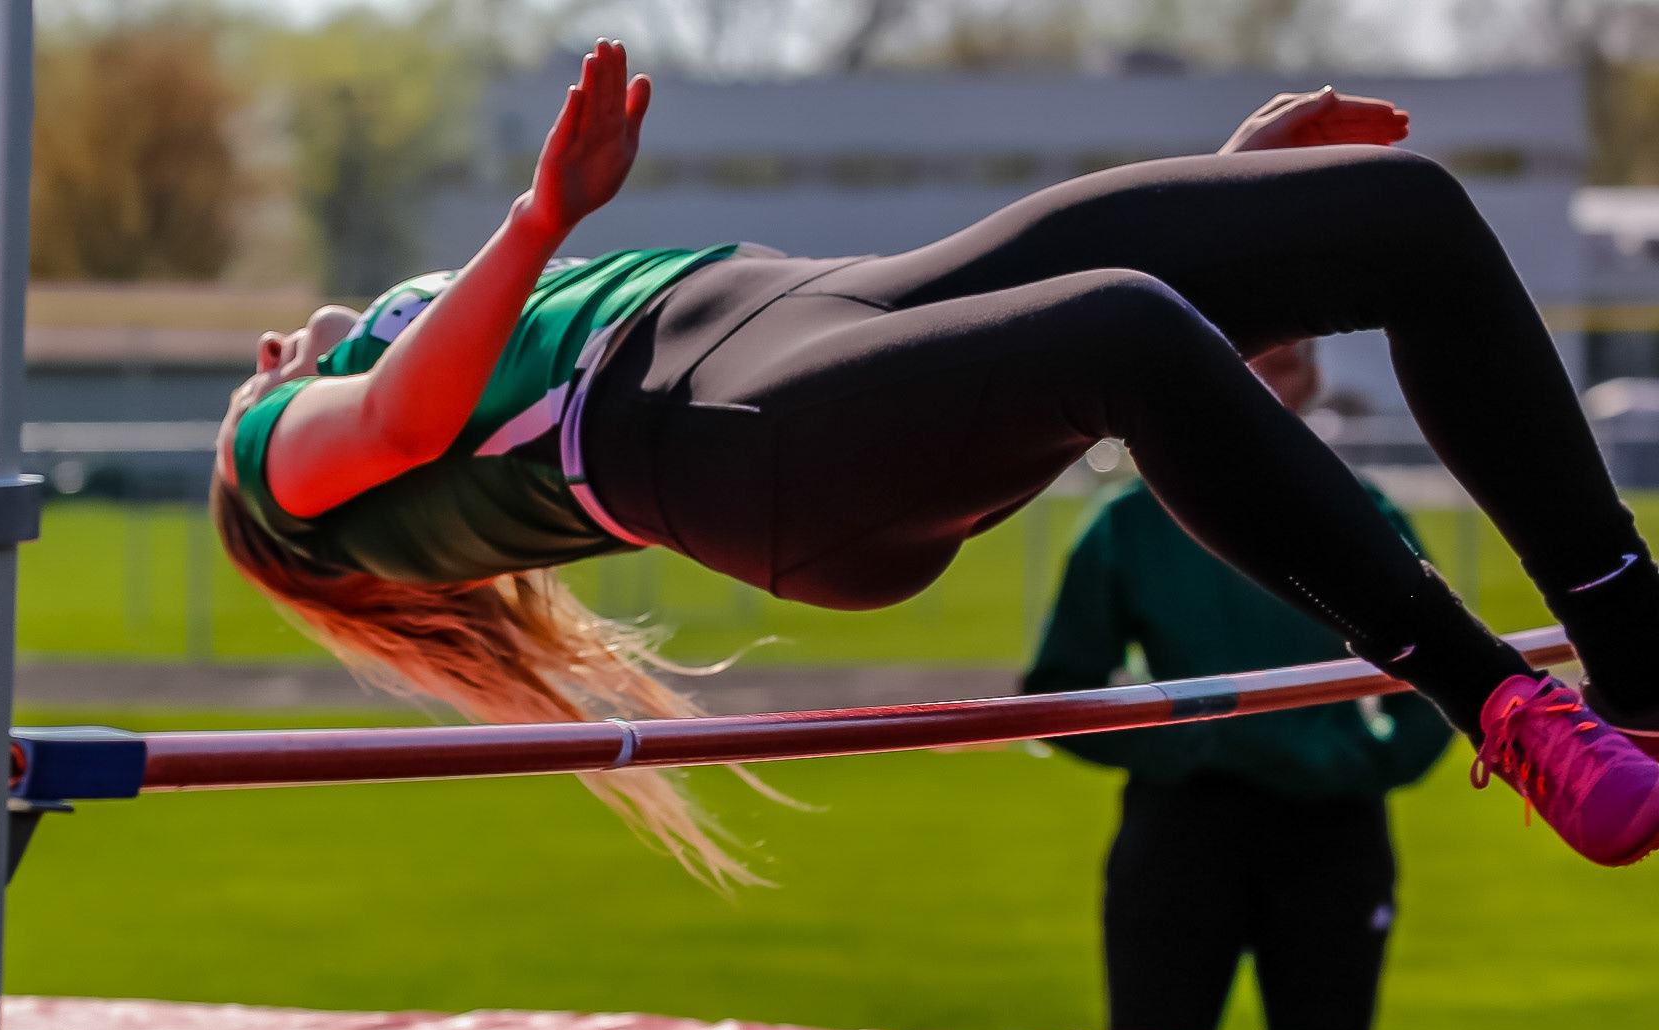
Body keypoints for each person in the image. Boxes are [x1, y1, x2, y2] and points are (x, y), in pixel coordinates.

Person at [213, 40, 1659, 887]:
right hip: (731, 428)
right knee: (1126, 330)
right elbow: (404, 419)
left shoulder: (422, 395)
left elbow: (975, 351)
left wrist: (1223, 200)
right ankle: (1503, 706)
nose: (270, 344)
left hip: (824, 331)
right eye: (257, 361)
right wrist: (537, 216)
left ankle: (1637, 649)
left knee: (1392, 213)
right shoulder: (276, 457)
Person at [1025, 340, 1452, 1030]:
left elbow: (1440, 669)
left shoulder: (1363, 516)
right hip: (1183, 832)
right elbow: (1059, 689)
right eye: (1238, 360)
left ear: (1313, 377)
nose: (1258, 384)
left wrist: (1368, 761)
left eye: (1282, 362)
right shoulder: (1128, 525)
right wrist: (1185, 745)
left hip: (1332, 832)